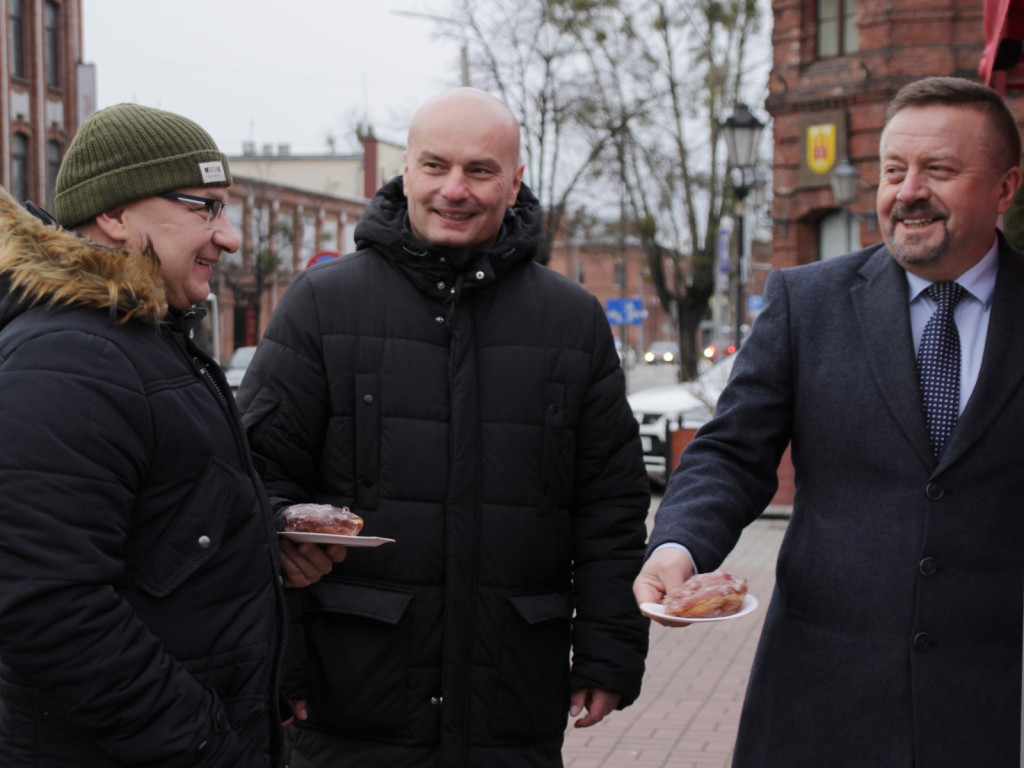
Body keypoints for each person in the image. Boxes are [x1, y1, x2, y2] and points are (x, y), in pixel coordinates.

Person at [237, 86, 650, 767]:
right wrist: (277, 659)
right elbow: (251, 482)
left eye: (480, 171)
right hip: (350, 700)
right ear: (405, 171)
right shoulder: (321, 304)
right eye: (435, 166)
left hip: (512, 699)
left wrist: (610, 648)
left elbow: (609, 504)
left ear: (515, 183)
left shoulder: (572, 322)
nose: (454, 189)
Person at [634, 75, 1024, 767]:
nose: (908, 191)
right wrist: (679, 548)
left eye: (938, 169)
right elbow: (731, 454)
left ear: (1005, 186)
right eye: (894, 170)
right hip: (820, 702)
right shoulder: (806, 301)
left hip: (994, 705)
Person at [0, 104, 287, 766]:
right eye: (204, 208)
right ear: (115, 215)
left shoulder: (142, 340)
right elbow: (48, 609)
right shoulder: (70, 356)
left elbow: (166, 538)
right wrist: (204, 746)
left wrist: (267, 534)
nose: (232, 237)